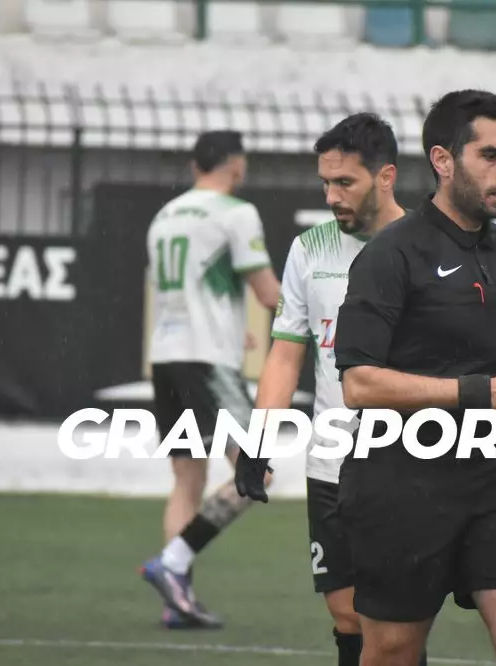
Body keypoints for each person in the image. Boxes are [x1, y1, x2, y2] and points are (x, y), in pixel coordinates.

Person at [330, 90, 496, 666]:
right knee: (392, 654)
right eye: (491, 156)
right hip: (398, 483)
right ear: (443, 161)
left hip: (490, 473)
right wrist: (482, 392)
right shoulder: (390, 254)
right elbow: (360, 384)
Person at [235, 113, 429, 666]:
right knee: (346, 615)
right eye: (325, 182)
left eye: (345, 182)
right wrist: (258, 440)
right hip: (331, 466)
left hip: (409, 464)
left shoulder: (426, 246)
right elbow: (286, 353)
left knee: (395, 626)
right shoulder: (309, 249)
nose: (331, 196)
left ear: (386, 177)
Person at [139, 129, 282, 629]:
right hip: (207, 360)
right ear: (236, 164)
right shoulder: (235, 212)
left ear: (193, 165)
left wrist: (229, 328)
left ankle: (176, 600)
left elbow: (189, 289)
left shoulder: (165, 216)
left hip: (167, 356)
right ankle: (172, 563)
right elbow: (269, 294)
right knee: (256, 474)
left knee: (187, 478)